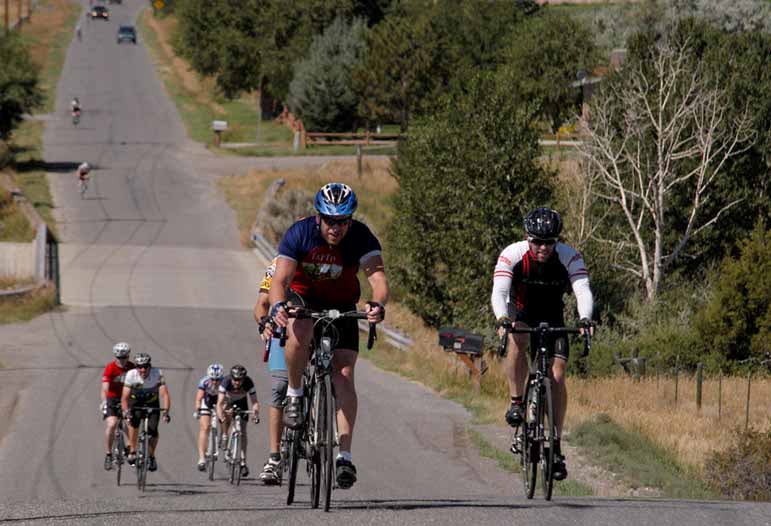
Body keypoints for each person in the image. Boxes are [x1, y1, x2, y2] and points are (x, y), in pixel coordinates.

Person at [270, 182, 389, 489]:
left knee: (345, 373)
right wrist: (278, 306)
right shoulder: (300, 233)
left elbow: (378, 281)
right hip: (303, 298)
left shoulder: (361, 236)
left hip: (342, 305)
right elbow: (280, 280)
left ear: (351, 219)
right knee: (299, 332)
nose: (336, 228)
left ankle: (344, 457)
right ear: (318, 217)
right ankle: (296, 394)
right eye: (330, 220)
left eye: (343, 221)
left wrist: (377, 304)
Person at [491, 207, 594, 481]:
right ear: (527, 237)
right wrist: (502, 319)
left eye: (549, 242)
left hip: (552, 315)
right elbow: (499, 292)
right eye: (536, 241)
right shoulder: (513, 254)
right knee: (519, 338)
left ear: (556, 241)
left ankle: (556, 444)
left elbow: (582, 290)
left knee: (558, 376)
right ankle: (516, 401)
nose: (542, 247)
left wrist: (585, 319)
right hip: (521, 312)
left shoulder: (569, 256)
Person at [253, 258, 287, 485]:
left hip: (314, 325)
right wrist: (264, 321)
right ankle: (274, 457)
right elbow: (261, 303)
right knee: (279, 388)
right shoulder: (279, 262)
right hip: (283, 330)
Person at [121, 353, 171, 472]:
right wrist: (126, 411)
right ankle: (132, 450)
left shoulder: (157, 373)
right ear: (136, 367)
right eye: (139, 367)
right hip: (136, 402)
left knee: (153, 431)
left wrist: (166, 412)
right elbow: (124, 397)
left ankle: (151, 456)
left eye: (145, 367)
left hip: (152, 402)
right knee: (134, 422)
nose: (142, 370)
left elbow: (164, 394)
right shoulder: (131, 375)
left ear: (150, 366)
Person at [216, 364, 260, 478]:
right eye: (235, 379)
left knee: (243, 431)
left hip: (242, 402)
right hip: (228, 401)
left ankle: (243, 462)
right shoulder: (225, 382)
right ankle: (225, 435)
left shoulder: (248, 383)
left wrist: (255, 413)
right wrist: (221, 417)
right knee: (226, 414)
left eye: (240, 380)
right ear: (231, 378)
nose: (237, 382)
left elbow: (255, 402)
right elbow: (219, 403)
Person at [100, 342, 134, 470]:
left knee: (130, 423)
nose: (122, 360)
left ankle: (130, 448)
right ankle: (108, 454)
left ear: (128, 356)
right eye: (119, 358)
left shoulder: (132, 367)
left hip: (127, 398)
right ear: (115, 357)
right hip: (112, 398)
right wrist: (104, 402)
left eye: (125, 357)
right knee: (112, 424)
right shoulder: (110, 368)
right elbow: (105, 388)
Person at [194, 363, 224, 471]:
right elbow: (199, 398)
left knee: (225, 419)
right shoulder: (204, 382)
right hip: (207, 401)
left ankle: (223, 437)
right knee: (205, 427)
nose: (215, 382)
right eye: (213, 379)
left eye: (218, 379)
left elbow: (227, 399)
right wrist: (198, 409)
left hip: (221, 401)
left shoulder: (225, 383)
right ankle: (201, 458)